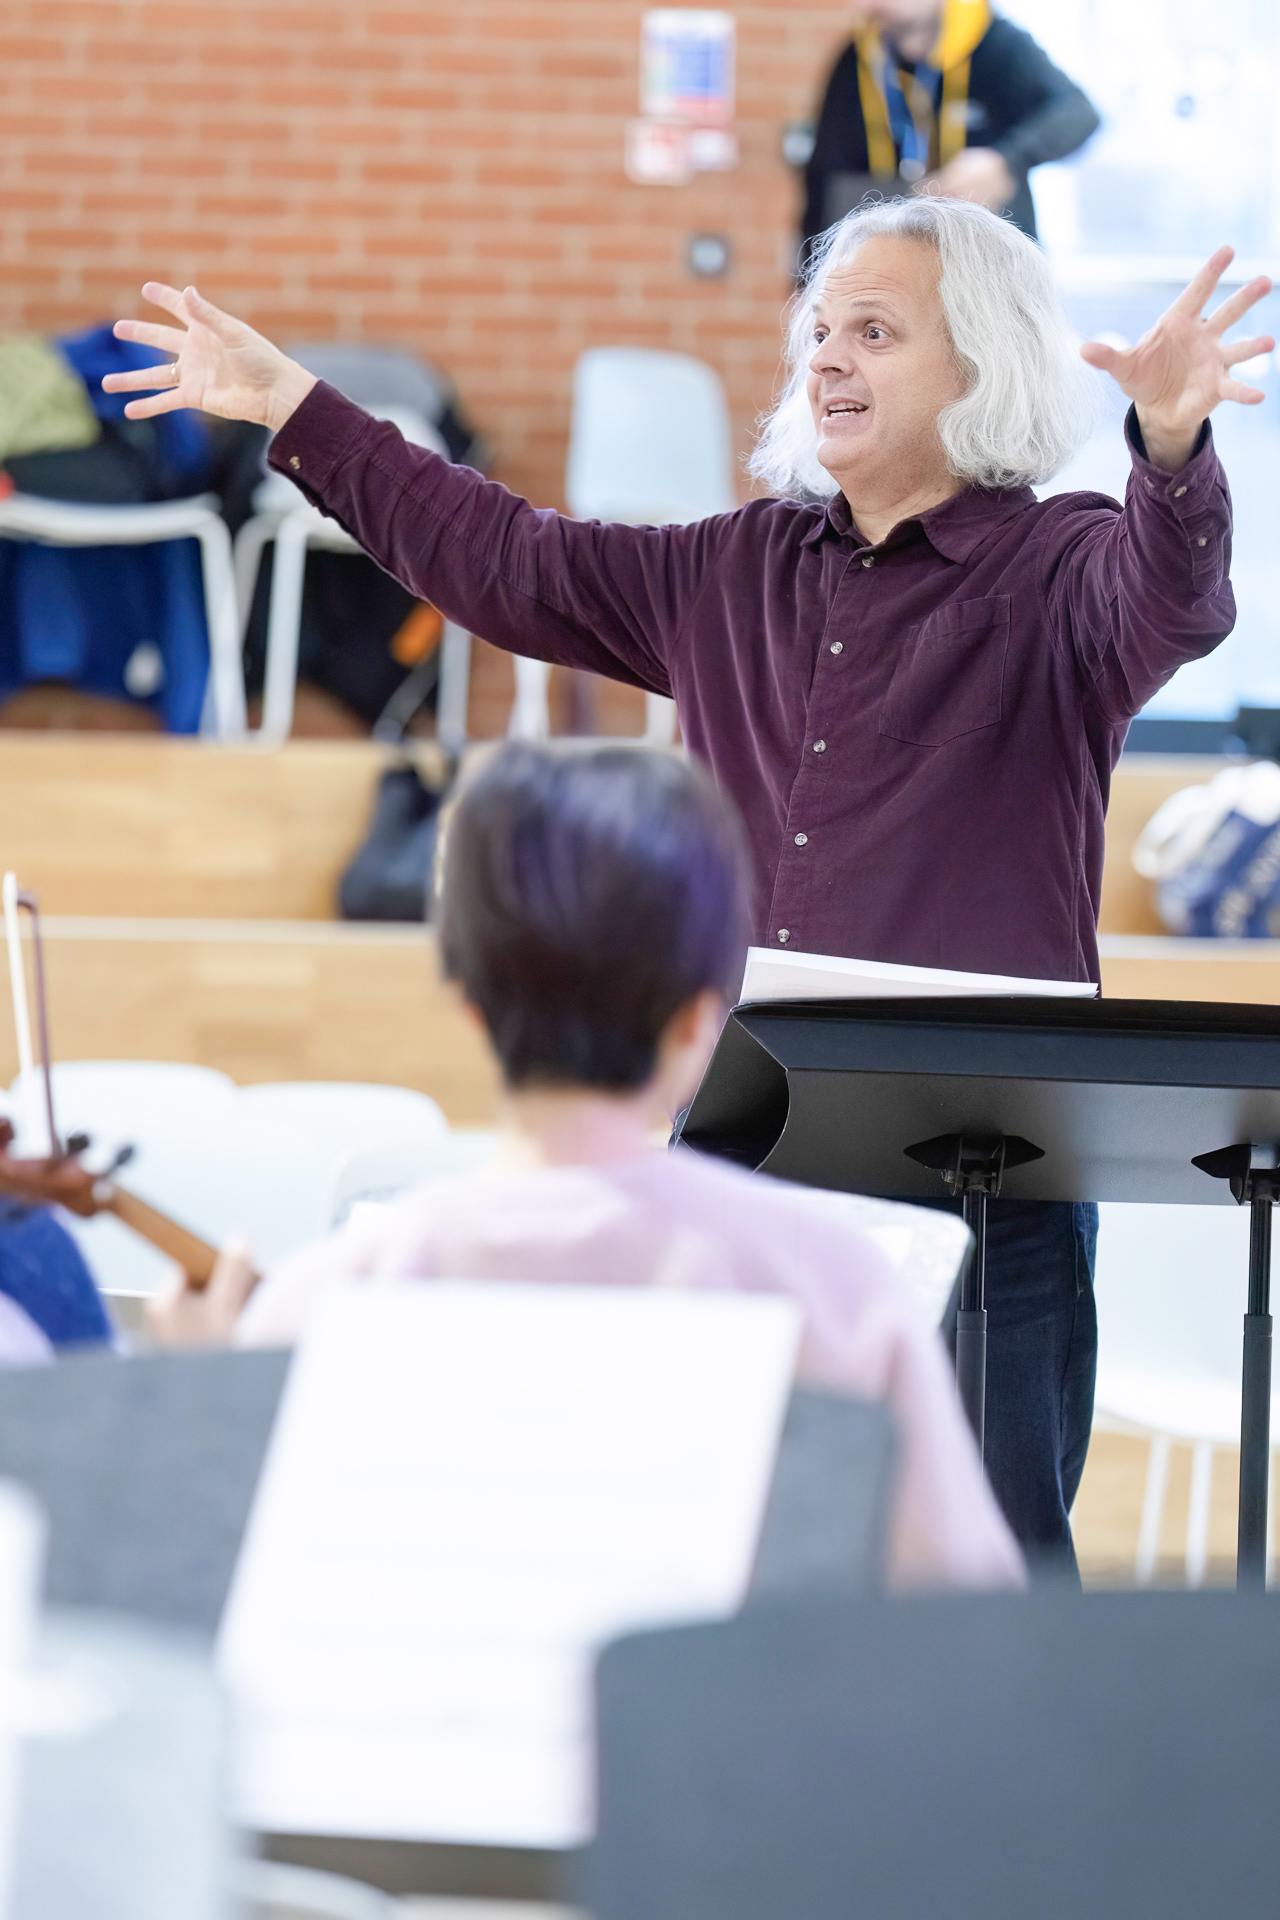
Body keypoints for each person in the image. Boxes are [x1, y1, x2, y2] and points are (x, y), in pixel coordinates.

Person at [105, 196, 1272, 1570]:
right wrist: (296, 407)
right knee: (721, 1567)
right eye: (821, 332)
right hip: (745, 1163)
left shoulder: (1065, 566)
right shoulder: (734, 566)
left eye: (877, 334)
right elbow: (503, 557)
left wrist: (1175, 447)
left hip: (991, 1194)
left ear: (982, 367)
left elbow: (1174, 599)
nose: (827, 361)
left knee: (990, 1588)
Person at [151, 743, 1023, 1593]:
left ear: (471, 1007)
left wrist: (203, 1394)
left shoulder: (325, 1296)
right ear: (699, 1022)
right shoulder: (840, 1283)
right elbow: (965, 1607)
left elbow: (194, 1602)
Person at [803, 0, 1099, 249]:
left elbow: (1078, 113)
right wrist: (810, 276)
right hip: (895, 259)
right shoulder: (859, 58)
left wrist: (1005, 162)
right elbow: (822, 172)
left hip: (989, 257)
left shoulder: (995, 40)